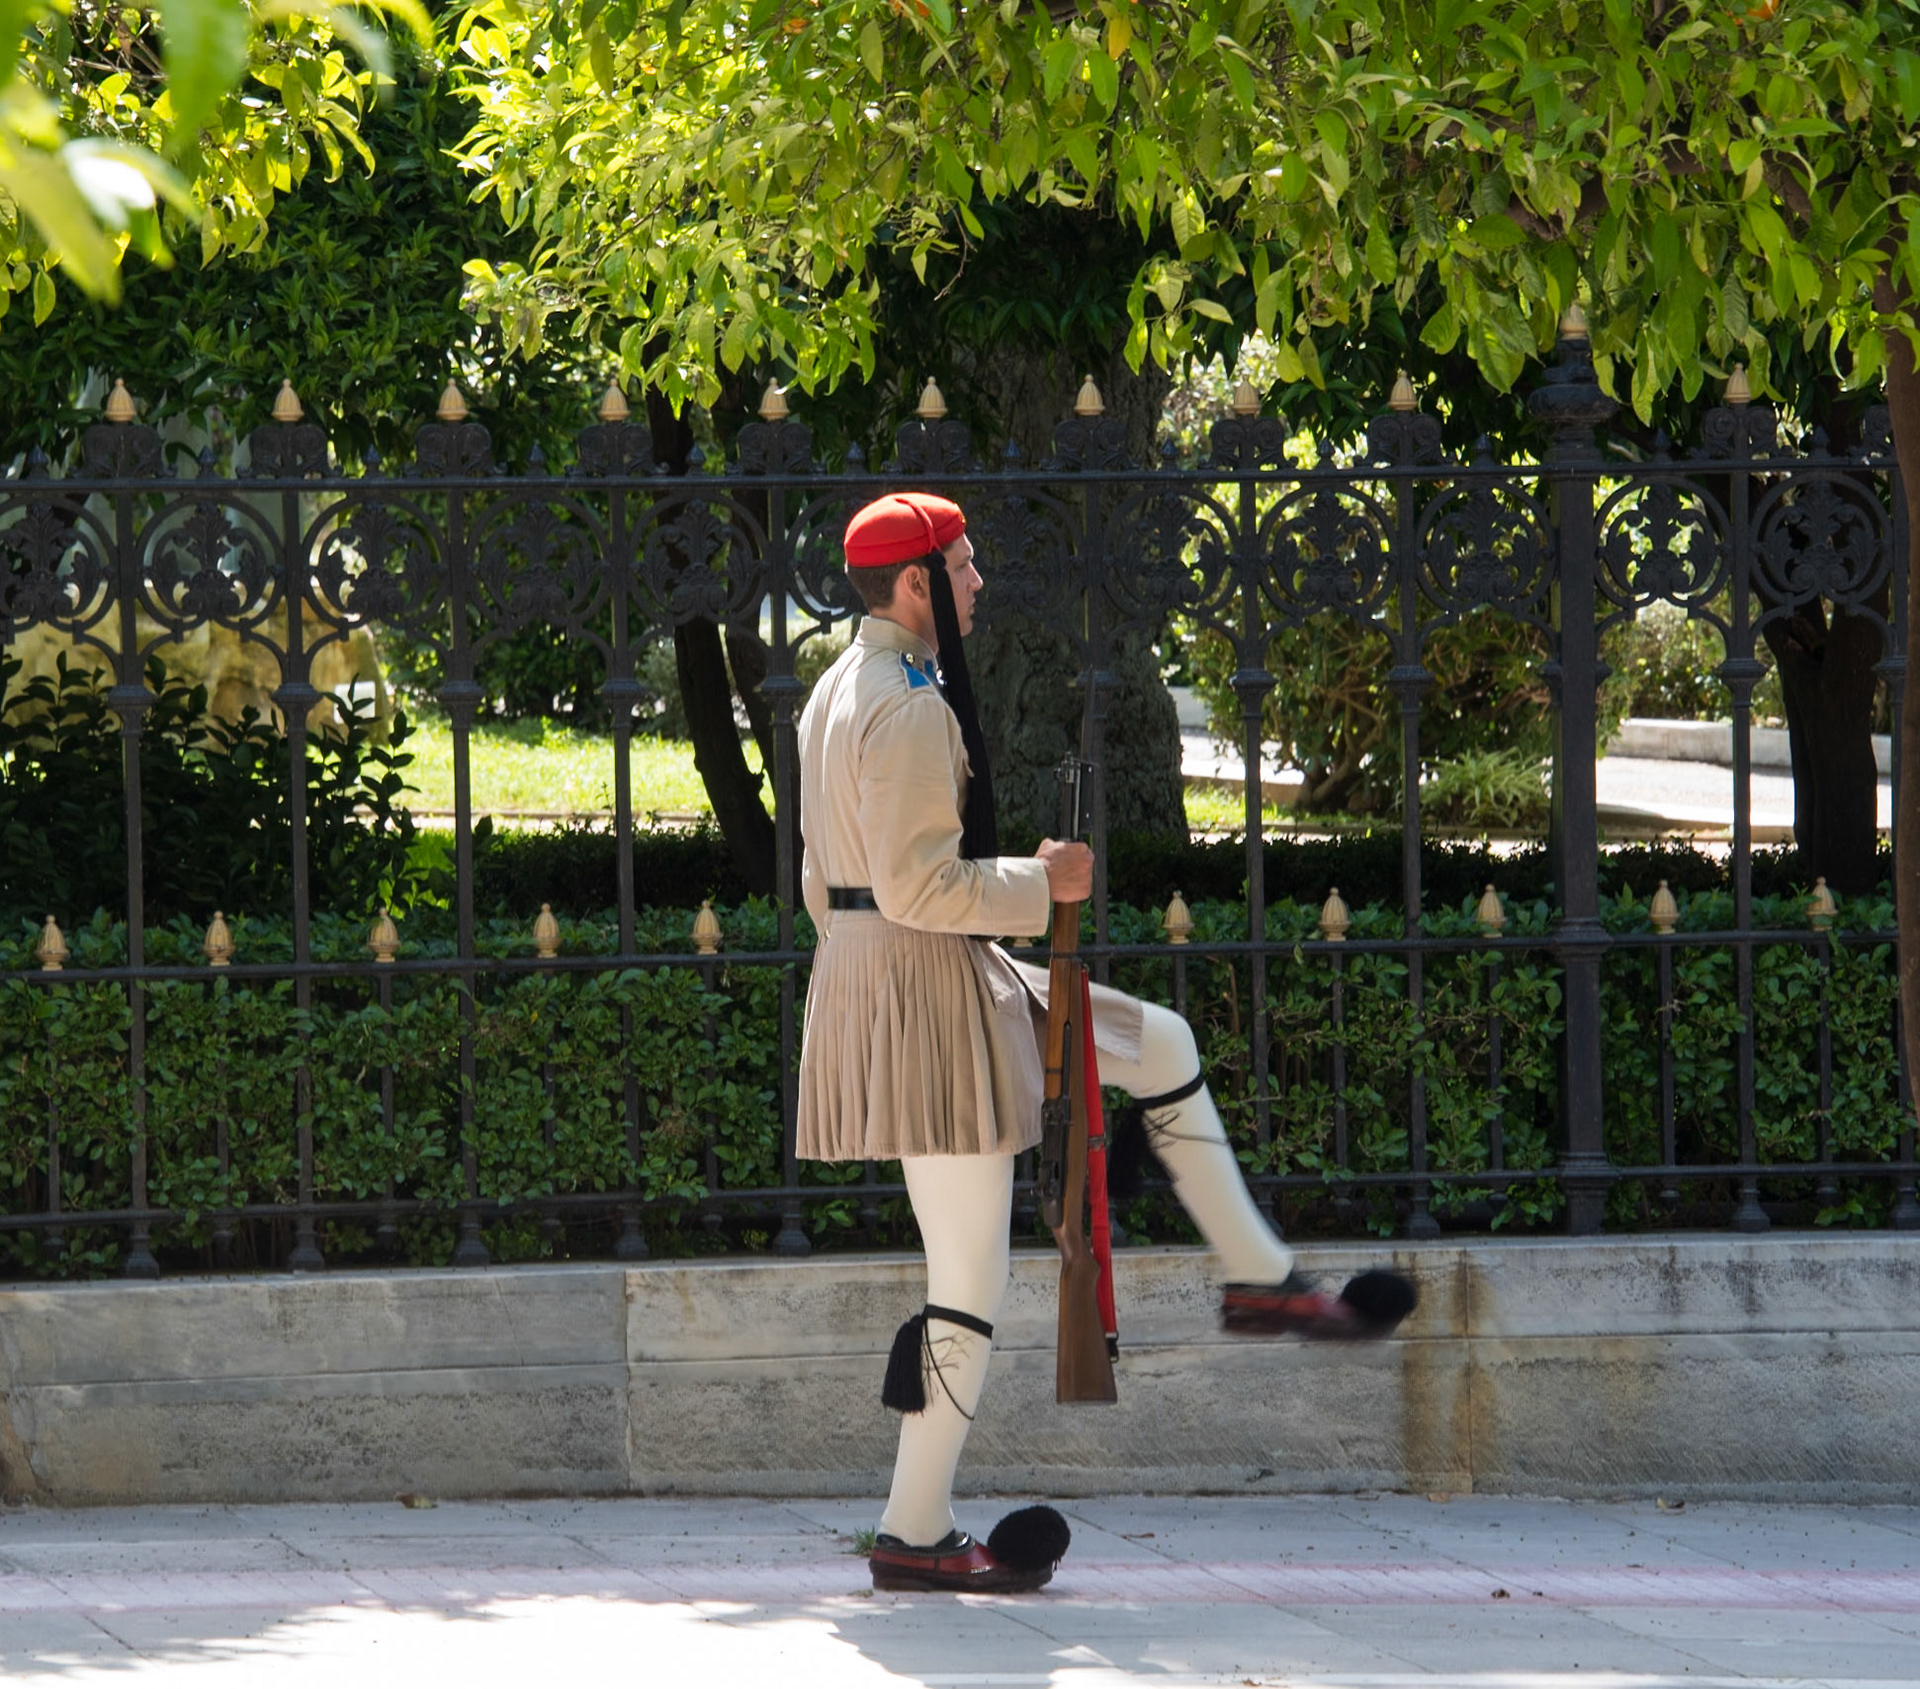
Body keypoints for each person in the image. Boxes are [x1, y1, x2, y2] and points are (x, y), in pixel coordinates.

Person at [795, 492, 1414, 1596]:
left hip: (909, 974)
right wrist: (1044, 883)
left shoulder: (836, 688)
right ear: (915, 582)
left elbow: (827, 881)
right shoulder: (908, 705)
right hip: (925, 983)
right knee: (968, 1277)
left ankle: (1261, 1279)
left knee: (1156, 1040)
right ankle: (913, 1530)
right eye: (963, 566)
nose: (978, 582)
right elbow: (915, 886)